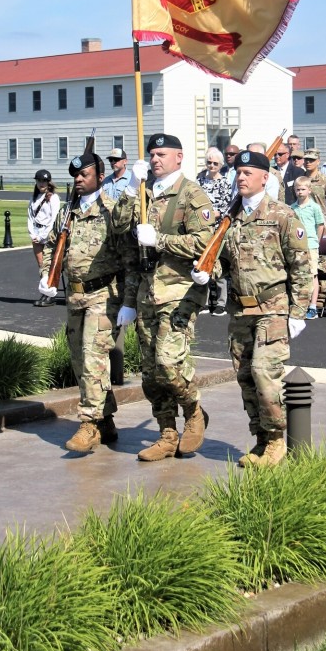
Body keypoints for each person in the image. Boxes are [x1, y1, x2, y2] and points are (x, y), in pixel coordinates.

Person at [191, 149, 311, 468]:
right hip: (240, 310)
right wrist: (207, 271)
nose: (241, 178)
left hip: (273, 308)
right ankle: (260, 438)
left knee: (263, 371)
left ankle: (276, 441)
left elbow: (301, 265)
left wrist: (298, 312)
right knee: (245, 376)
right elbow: (224, 263)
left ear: (265, 178)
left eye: (247, 173)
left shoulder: (281, 214)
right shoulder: (229, 219)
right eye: (238, 173)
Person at [112, 133, 215, 461]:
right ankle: (167, 433)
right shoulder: (143, 192)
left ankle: (195, 412)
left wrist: (161, 240)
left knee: (168, 364)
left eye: (162, 154)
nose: (155, 159)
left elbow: (206, 242)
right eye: (152, 154)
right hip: (146, 293)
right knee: (151, 373)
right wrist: (130, 186)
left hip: (179, 292)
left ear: (179, 157)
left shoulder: (190, 193)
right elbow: (117, 228)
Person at [39, 152, 138, 452]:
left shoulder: (111, 211)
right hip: (74, 296)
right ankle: (105, 420)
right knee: (80, 361)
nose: (79, 180)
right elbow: (51, 245)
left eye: (85, 175)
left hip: (103, 296)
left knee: (93, 357)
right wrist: (46, 276)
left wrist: (129, 302)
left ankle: (89, 425)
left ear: (99, 175)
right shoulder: (66, 212)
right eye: (76, 176)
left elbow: (129, 260)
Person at [196, 147, 232, 315]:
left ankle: (221, 302)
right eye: (209, 163)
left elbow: (226, 208)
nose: (211, 166)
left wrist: (210, 214)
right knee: (202, 263)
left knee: (218, 265)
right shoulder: (200, 180)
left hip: (218, 228)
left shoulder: (224, 183)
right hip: (202, 228)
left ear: (221, 165)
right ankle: (203, 301)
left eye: (215, 163)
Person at [291, 176, 324, 319]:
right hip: (297, 245)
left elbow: (320, 225)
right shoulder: (292, 208)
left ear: (309, 190)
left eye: (303, 189)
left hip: (311, 245)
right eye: (298, 189)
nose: (300, 192)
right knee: (298, 275)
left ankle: (313, 306)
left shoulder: (314, 207)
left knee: (312, 274)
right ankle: (299, 305)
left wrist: (316, 240)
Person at [28, 169, 61, 307]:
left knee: (48, 265)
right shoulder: (34, 198)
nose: (42, 184)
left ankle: (50, 293)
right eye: (39, 181)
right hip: (36, 233)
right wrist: (33, 234)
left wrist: (42, 236)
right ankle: (45, 290)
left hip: (48, 235)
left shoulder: (53, 198)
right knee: (41, 266)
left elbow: (54, 219)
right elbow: (30, 217)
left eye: (44, 181)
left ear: (49, 183)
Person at [303, 149, 326, 223]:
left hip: (321, 222)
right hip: (304, 221)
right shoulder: (300, 180)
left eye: (311, 160)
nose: (308, 162)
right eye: (306, 159)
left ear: (318, 162)